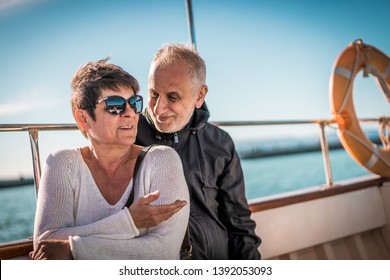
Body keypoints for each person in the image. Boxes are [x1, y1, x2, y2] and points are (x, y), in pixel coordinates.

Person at [29, 57, 189, 260]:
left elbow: (163, 253)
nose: (130, 113)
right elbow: (47, 243)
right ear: (83, 118)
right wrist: (129, 222)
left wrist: (75, 250)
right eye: (115, 105)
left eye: (134, 103)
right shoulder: (62, 163)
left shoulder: (162, 160)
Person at [136, 44, 262, 259]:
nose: (158, 109)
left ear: (199, 95)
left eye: (173, 97)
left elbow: (239, 223)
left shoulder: (221, 144)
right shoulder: (127, 136)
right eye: (153, 93)